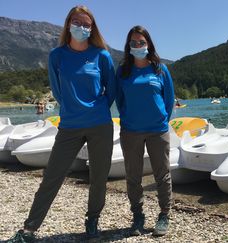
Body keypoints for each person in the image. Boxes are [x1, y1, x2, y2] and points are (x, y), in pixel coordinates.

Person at [7, 5, 116, 242]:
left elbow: (112, 89)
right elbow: (57, 91)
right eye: (77, 22)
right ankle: (29, 229)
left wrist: (96, 109)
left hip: (100, 125)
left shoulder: (102, 55)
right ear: (68, 24)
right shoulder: (57, 56)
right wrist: (74, 109)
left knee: (98, 176)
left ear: (92, 28)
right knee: (53, 176)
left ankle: (92, 220)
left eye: (87, 24)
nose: (82, 27)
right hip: (69, 125)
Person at [115, 25, 174, 237]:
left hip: (158, 130)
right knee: (133, 176)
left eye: (141, 42)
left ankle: (164, 215)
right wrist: (129, 119)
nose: (138, 46)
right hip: (131, 131)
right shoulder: (123, 71)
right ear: (128, 46)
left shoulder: (160, 69)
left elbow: (169, 100)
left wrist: (162, 120)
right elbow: (120, 101)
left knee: (162, 174)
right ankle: (138, 216)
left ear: (148, 44)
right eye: (133, 43)